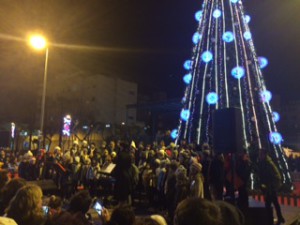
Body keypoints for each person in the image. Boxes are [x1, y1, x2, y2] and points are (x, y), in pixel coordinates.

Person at [258, 149, 285, 225]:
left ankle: (270, 220)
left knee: (268, 204)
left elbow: (267, 176)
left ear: (264, 155)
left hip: (269, 187)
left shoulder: (266, 163)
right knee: (275, 203)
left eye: (260, 154)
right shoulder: (267, 162)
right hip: (270, 187)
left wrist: (265, 186)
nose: (259, 155)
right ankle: (280, 218)